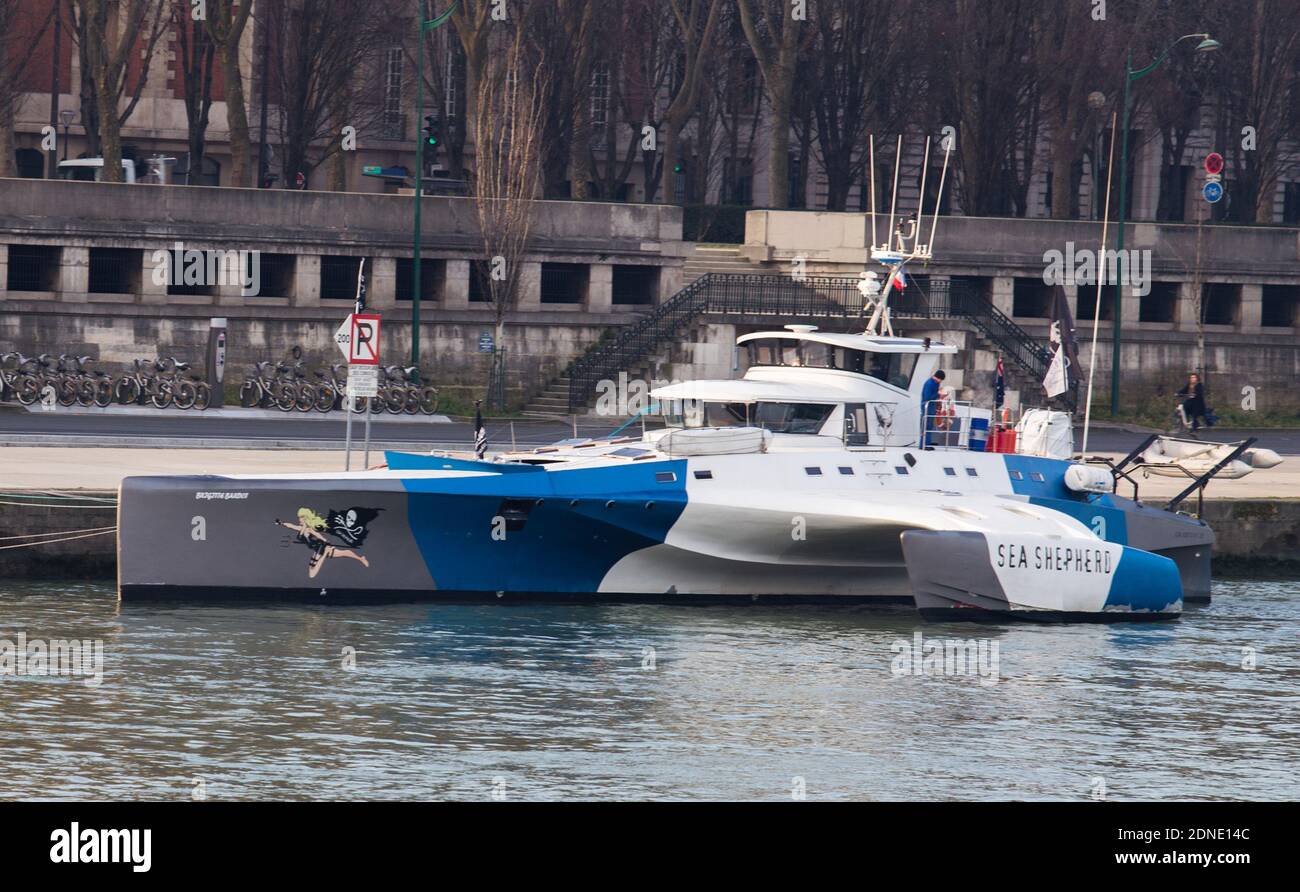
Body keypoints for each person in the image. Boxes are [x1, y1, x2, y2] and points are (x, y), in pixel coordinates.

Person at [922, 369, 945, 447]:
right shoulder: (929, 383)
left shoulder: (935, 384)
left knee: (929, 426)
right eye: (941, 380)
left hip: (931, 407)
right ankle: (924, 444)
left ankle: (927, 442)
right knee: (926, 426)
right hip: (927, 408)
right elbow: (927, 397)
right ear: (938, 378)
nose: (940, 382)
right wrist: (938, 394)